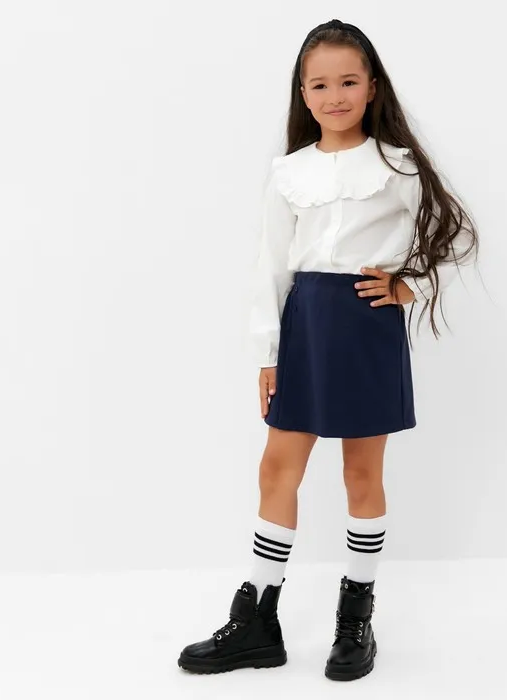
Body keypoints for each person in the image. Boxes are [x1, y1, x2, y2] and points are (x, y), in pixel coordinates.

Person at [177, 18, 478, 682]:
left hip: (366, 325)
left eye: (348, 81)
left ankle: (355, 618)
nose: (334, 95)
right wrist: (268, 354)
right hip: (305, 322)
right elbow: (270, 266)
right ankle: (257, 621)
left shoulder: (399, 166)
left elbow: (455, 236)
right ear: (302, 93)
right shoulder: (289, 172)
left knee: (361, 474)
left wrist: (408, 284)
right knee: (276, 468)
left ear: (372, 87)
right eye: (319, 84)